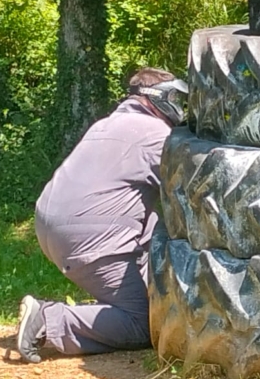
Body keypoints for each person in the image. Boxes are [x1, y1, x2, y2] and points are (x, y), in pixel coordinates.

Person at [14, 67, 187, 363]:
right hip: (88, 238)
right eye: (176, 99)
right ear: (157, 98)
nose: (180, 107)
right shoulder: (156, 134)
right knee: (143, 323)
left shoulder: (106, 125)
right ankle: (49, 320)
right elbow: (192, 196)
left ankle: (120, 303)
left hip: (50, 226)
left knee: (153, 227)